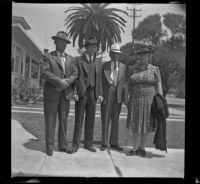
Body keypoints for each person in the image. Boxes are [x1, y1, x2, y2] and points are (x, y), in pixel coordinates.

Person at [41, 31, 78, 156]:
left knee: (63, 120)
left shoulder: (71, 59)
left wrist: (66, 82)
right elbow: (45, 73)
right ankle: (49, 147)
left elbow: (75, 74)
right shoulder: (47, 56)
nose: (62, 44)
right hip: (52, 94)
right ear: (55, 42)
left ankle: (63, 145)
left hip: (65, 95)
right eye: (60, 41)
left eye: (65, 42)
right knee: (50, 121)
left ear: (66, 44)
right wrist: (59, 82)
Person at [126, 44, 163, 157]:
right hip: (135, 100)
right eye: (141, 56)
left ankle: (142, 148)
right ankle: (135, 147)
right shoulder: (132, 69)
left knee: (146, 124)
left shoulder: (155, 69)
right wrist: (125, 97)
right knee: (136, 124)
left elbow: (159, 84)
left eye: (145, 56)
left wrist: (160, 98)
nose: (143, 58)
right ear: (138, 57)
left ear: (149, 57)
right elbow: (127, 84)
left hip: (149, 101)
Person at [72, 37, 103, 153]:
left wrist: (100, 93)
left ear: (96, 49)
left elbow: (99, 79)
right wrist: (74, 92)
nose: (93, 49)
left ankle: (88, 144)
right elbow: (75, 77)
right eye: (91, 46)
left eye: (95, 47)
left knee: (91, 119)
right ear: (86, 48)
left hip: (93, 93)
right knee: (79, 119)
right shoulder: (79, 60)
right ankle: (75, 145)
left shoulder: (98, 62)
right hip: (81, 93)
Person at [100, 43, 127, 151]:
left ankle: (114, 143)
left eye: (117, 54)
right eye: (114, 53)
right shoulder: (104, 66)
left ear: (119, 55)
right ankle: (104, 143)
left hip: (118, 95)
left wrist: (125, 98)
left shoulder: (124, 67)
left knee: (115, 119)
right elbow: (101, 82)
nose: (116, 56)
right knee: (105, 118)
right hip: (107, 94)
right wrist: (101, 94)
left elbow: (125, 84)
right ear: (110, 54)